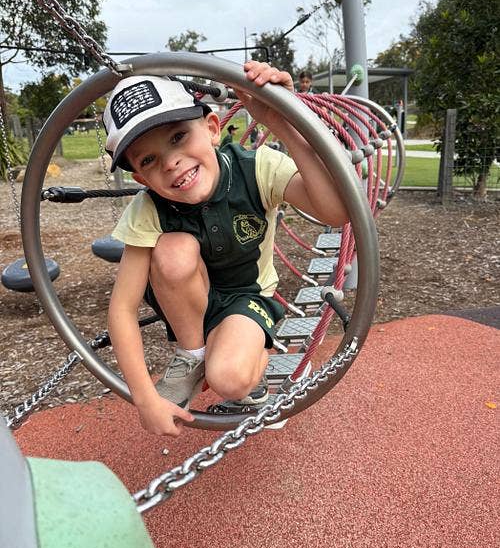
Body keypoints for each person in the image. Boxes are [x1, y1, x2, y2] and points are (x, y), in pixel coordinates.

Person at [104, 61, 348, 437]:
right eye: (149, 160)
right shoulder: (148, 208)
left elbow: (336, 210)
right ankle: (192, 355)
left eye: (178, 137)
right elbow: (122, 307)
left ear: (213, 128)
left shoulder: (256, 168)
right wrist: (144, 397)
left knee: (230, 378)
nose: (171, 163)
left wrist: (279, 117)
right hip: (188, 303)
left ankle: (250, 367)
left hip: (247, 297)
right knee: (173, 249)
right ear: (140, 177)